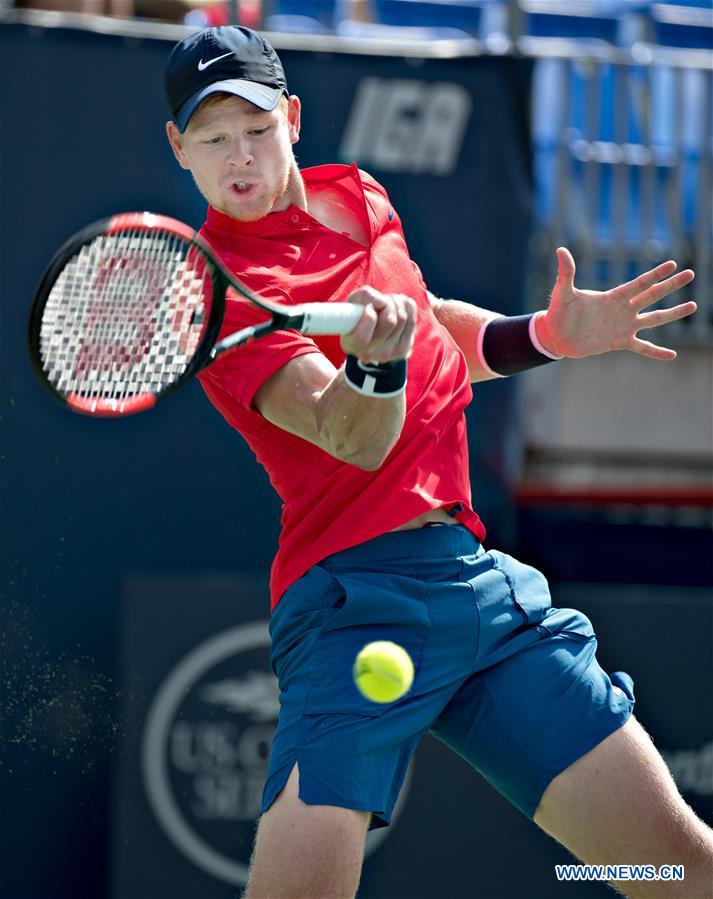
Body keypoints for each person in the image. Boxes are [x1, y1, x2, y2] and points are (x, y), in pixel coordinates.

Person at [164, 26, 713, 899]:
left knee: (669, 868)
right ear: (179, 150)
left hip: (474, 583)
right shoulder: (220, 295)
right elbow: (349, 431)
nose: (240, 156)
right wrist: (375, 367)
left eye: (256, 128)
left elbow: (427, 321)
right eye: (212, 135)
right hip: (351, 604)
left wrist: (541, 336)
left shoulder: (361, 195)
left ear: (293, 119)